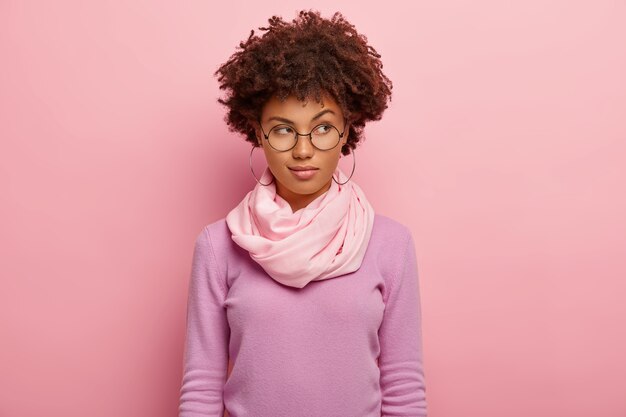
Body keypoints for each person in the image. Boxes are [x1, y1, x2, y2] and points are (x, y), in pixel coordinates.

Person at [179, 9, 427, 417]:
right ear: (258, 132)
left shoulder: (391, 245)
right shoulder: (218, 245)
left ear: (347, 130)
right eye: (282, 129)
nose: (303, 149)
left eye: (323, 127)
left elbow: (403, 388)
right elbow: (201, 387)